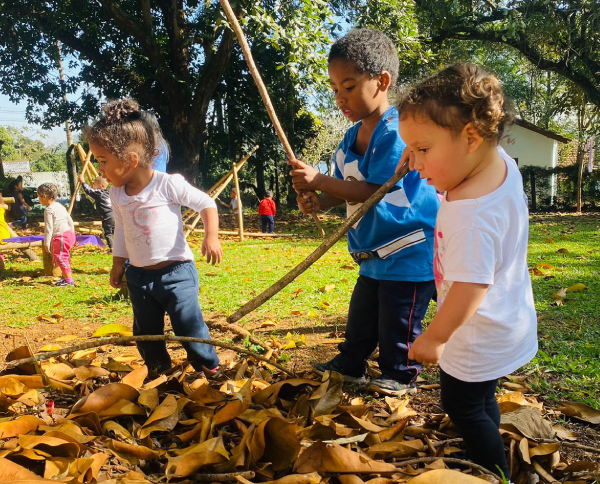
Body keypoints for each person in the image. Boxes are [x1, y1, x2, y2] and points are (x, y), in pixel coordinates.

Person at [398, 63, 538, 479]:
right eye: (410, 151)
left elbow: (472, 285)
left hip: (474, 332)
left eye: (422, 150)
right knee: (480, 398)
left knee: (461, 405)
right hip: (506, 318)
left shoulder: (469, 215)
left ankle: (492, 470)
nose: (413, 164)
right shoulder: (502, 165)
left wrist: (435, 337)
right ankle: (489, 436)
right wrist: (432, 161)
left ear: (472, 138)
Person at [290, 28, 439, 397]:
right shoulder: (349, 138)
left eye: (350, 86)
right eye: (335, 88)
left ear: (382, 81)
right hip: (372, 253)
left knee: (398, 321)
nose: (340, 97)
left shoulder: (397, 131)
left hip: (407, 251)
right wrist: (315, 198)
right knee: (362, 318)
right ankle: (351, 364)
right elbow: (346, 190)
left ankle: (400, 373)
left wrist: (320, 180)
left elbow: (374, 191)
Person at [83, 98, 222, 376]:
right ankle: (159, 371)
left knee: (187, 324)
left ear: (131, 160)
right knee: (145, 331)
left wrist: (211, 237)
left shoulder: (168, 184)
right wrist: (118, 262)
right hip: (139, 277)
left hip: (177, 272)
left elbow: (206, 202)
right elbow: (120, 229)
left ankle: (208, 366)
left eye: (103, 161)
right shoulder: (117, 193)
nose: (100, 170)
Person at [37, 183, 77, 287]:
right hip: (68, 234)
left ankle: (69, 280)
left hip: (61, 236)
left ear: (44, 196)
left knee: (60, 257)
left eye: (38, 196)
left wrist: (47, 242)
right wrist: (72, 233)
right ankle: (65, 278)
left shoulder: (49, 210)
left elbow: (49, 228)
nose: (38, 199)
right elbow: (70, 220)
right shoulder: (60, 206)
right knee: (62, 257)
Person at [78, 173, 115, 250]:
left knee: (107, 233)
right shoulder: (108, 192)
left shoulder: (99, 193)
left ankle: (112, 248)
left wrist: (83, 182)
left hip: (107, 215)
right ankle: (119, 247)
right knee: (115, 231)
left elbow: (88, 191)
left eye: (94, 184)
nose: (93, 186)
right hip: (114, 214)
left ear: (101, 186)